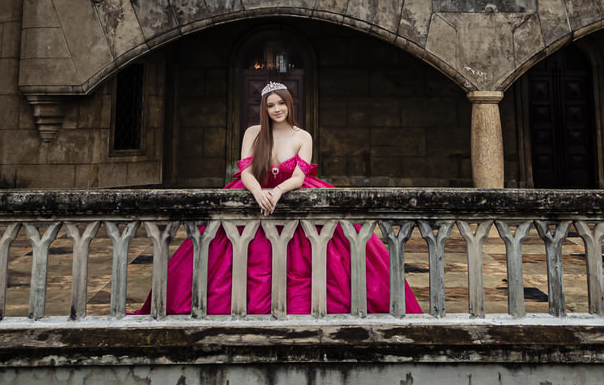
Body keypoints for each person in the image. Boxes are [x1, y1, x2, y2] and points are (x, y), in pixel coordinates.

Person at [139, 82, 422, 315]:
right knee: (212, 246)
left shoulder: (302, 137)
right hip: (255, 190)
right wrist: (258, 192)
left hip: (290, 191)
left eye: (281, 104)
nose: (277, 109)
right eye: (271, 105)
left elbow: (298, 177)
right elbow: (246, 171)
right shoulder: (253, 133)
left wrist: (277, 191)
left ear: (289, 105)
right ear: (264, 109)